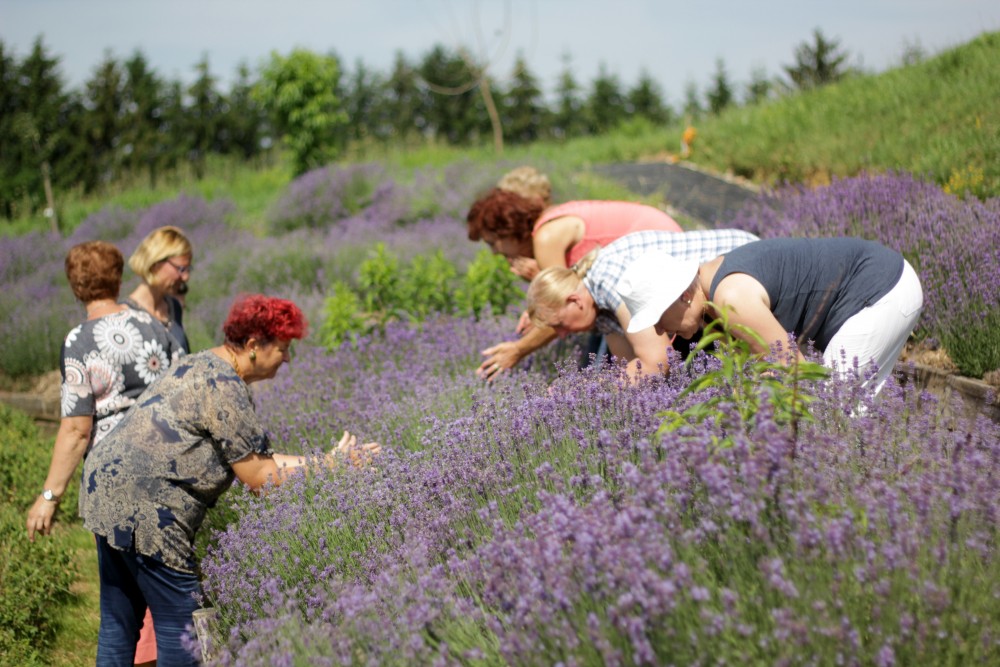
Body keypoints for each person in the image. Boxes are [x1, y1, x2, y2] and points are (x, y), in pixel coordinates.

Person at [79, 294, 380, 666]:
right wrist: (332, 467)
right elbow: (258, 476)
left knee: (118, 622)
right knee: (184, 632)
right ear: (254, 346)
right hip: (149, 511)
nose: (287, 358)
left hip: (104, 488)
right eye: (283, 349)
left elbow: (256, 461)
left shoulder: (199, 362)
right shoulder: (225, 387)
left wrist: (325, 461)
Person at [26, 241, 182, 667]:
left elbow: (77, 429)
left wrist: (48, 497)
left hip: (111, 483)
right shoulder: (153, 327)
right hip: (165, 470)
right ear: (118, 277)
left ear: (76, 287)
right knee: (172, 612)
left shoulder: (78, 340)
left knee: (117, 612)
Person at [617, 237, 924, 394]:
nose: (659, 330)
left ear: (683, 296)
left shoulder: (730, 298)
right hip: (876, 290)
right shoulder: (714, 288)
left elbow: (796, 371)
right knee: (844, 411)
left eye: (657, 318)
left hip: (881, 290)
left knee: (832, 409)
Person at [466, 187, 685, 380]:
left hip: (658, 250)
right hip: (657, 242)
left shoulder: (546, 238)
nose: (495, 252)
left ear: (507, 229)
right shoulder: (549, 223)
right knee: (616, 352)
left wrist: (518, 350)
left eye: (492, 242)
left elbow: (562, 307)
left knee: (634, 360)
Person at [524, 228, 759, 382]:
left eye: (559, 325)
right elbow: (632, 368)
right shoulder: (601, 310)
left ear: (574, 301)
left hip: (742, 269)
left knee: (766, 359)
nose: (562, 335)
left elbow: (656, 362)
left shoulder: (607, 281)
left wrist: (585, 392)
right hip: (717, 291)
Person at [125, 225, 193, 353]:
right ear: (156, 263)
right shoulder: (125, 316)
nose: (185, 277)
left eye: (188, 269)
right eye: (181, 269)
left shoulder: (173, 308)